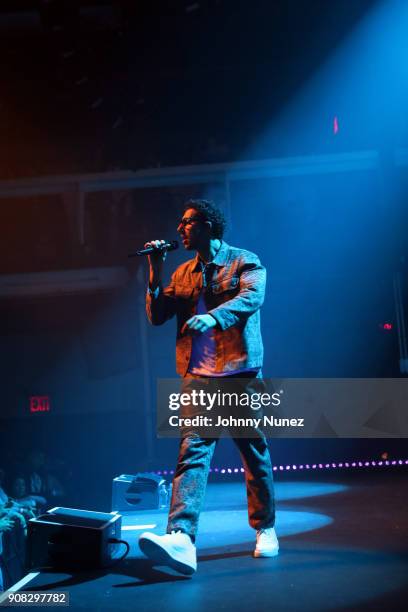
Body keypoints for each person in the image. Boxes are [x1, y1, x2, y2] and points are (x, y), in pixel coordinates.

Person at [138, 199, 278, 575]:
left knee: (253, 452)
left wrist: (212, 318)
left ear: (207, 226)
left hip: (238, 373)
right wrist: (155, 270)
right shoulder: (182, 272)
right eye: (181, 223)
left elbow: (252, 296)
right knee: (192, 455)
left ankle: (265, 527)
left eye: (187, 223)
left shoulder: (244, 260)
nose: (180, 229)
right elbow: (157, 316)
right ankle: (182, 537)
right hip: (197, 376)